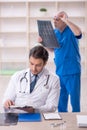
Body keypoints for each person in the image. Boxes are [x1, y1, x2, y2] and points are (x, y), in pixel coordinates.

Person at [38, 11, 82, 112]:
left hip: (72, 71)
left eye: (57, 20)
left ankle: (76, 121)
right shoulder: (55, 32)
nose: (54, 22)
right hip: (60, 71)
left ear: (64, 21)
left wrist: (67, 21)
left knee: (75, 101)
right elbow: (53, 49)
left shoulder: (71, 30)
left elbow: (79, 33)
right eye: (54, 19)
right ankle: (63, 120)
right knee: (61, 101)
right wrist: (43, 43)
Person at [2, 45, 60, 113]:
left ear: (45, 63)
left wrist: (35, 110)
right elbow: (8, 97)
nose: (33, 68)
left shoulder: (54, 79)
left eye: (38, 65)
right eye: (31, 63)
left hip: (40, 116)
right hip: (17, 115)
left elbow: (52, 106)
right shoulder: (17, 76)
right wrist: (7, 102)